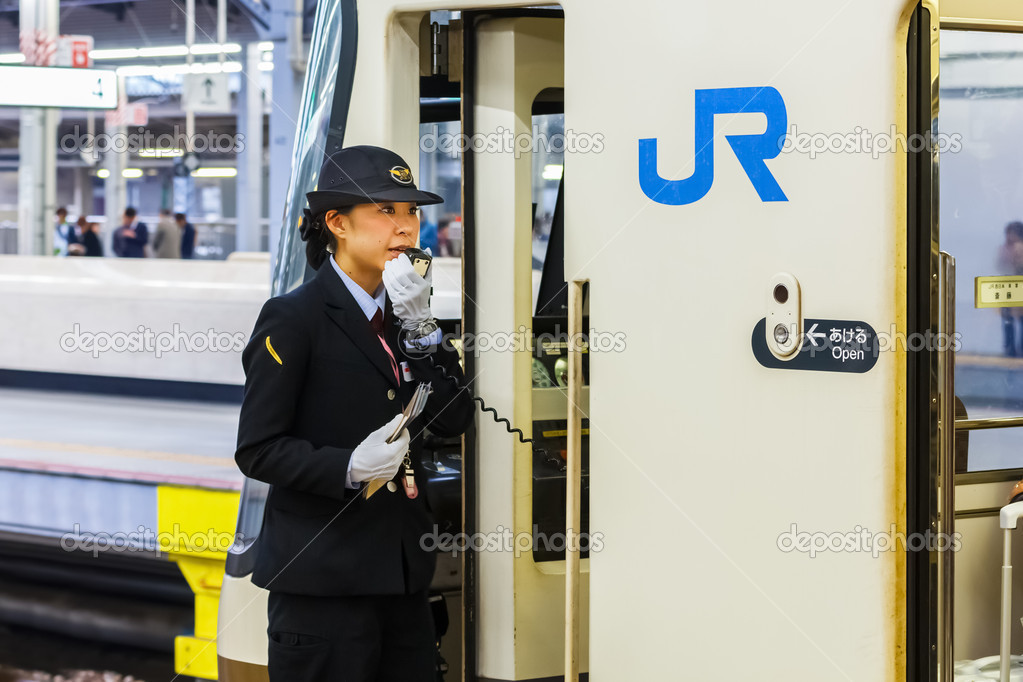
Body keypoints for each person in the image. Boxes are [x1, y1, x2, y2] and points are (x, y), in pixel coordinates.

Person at [234, 145, 474, 682]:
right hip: (322, 585)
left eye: (411, 212)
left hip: (402, 580)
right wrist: (347, 467)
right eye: (386, 211)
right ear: (337, 223)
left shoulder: (407, 316)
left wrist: (421, 332)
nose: (406, 227)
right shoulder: (293, 319)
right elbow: (257, 448)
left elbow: (454, 419)